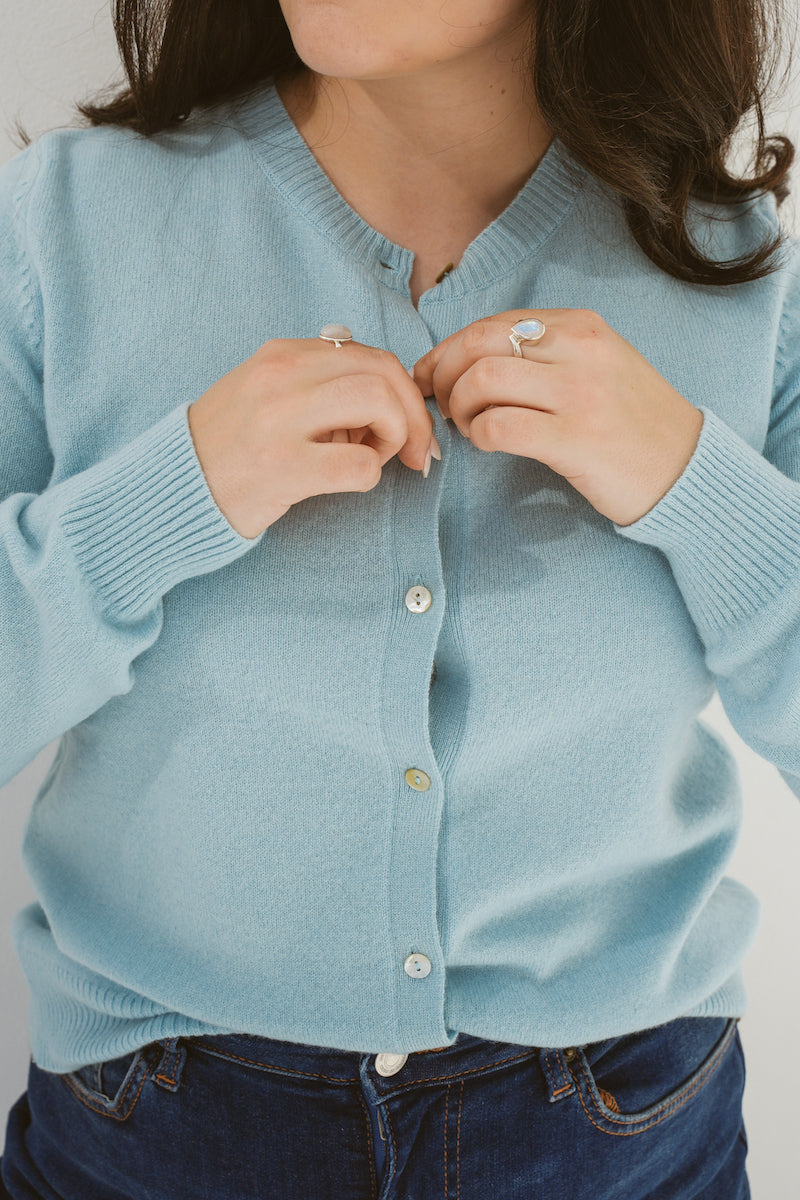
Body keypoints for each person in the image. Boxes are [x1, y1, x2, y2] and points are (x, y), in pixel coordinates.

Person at [0, 0, 797, 1196]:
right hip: (156, 1133)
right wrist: (163, 501)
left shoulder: (735, 266)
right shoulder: (65, 223)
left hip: (619, 1134)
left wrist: (695, 482)